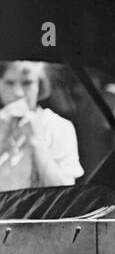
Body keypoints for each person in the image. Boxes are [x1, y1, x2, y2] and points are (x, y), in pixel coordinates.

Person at [0, 61, 82, 192]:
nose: (18, 93)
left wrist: (36, 142)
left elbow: (63, 194)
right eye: (9, 83)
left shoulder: (58, 127)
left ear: (40, 86)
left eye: (27, 83)